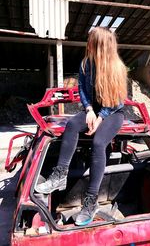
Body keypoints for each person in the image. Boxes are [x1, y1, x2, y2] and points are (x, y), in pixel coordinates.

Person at [36, 27, 127, 226]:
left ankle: (91, 200)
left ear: (101, 45)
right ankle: (60, 175)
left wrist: (100, 117)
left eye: (91, 41)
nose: (88, 44)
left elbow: (117, 102)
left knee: (98, 142)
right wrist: (88, 110)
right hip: (92, 110)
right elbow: (82, 90)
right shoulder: (87, 64)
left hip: (113, 113)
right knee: (70, 125)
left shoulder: (117, 68)